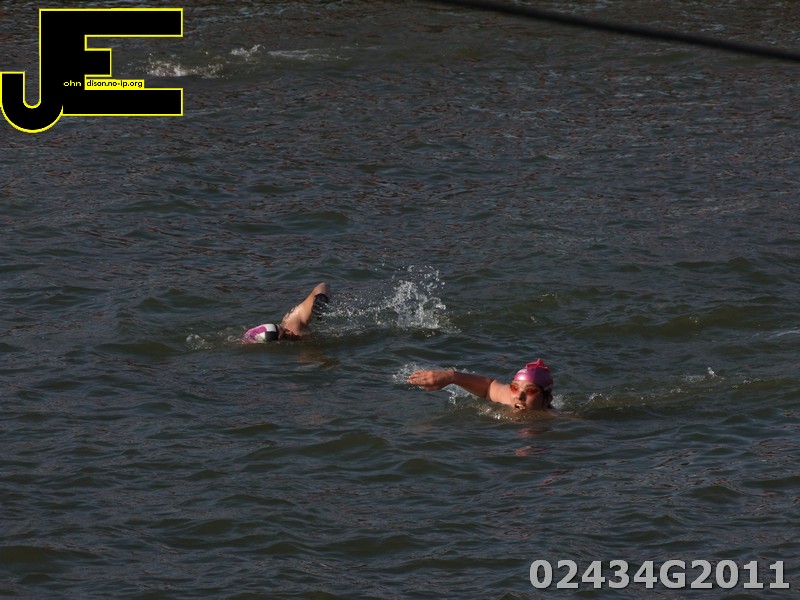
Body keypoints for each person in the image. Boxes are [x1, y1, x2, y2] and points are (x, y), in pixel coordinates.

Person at [407, 359, 554, 412]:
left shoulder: (553, 420)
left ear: (547, 400)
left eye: (530, 391)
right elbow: (488, 388)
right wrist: (450, 377)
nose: (519, 396)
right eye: (515, 387)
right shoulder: (510, 398)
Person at [242, 282, 330, 343]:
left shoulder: (293, 321)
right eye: (284, 336)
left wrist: (320, 299)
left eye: (283, 329)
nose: (289, 332)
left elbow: (323, 286)